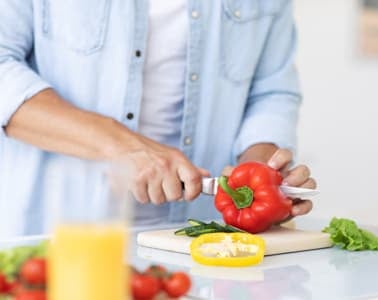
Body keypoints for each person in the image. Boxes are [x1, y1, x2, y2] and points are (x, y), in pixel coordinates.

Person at [0, 0, 316, 237]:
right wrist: (122, 145)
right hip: (54, 236)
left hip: (201, 242)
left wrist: (261, 175)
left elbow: (272, 91)